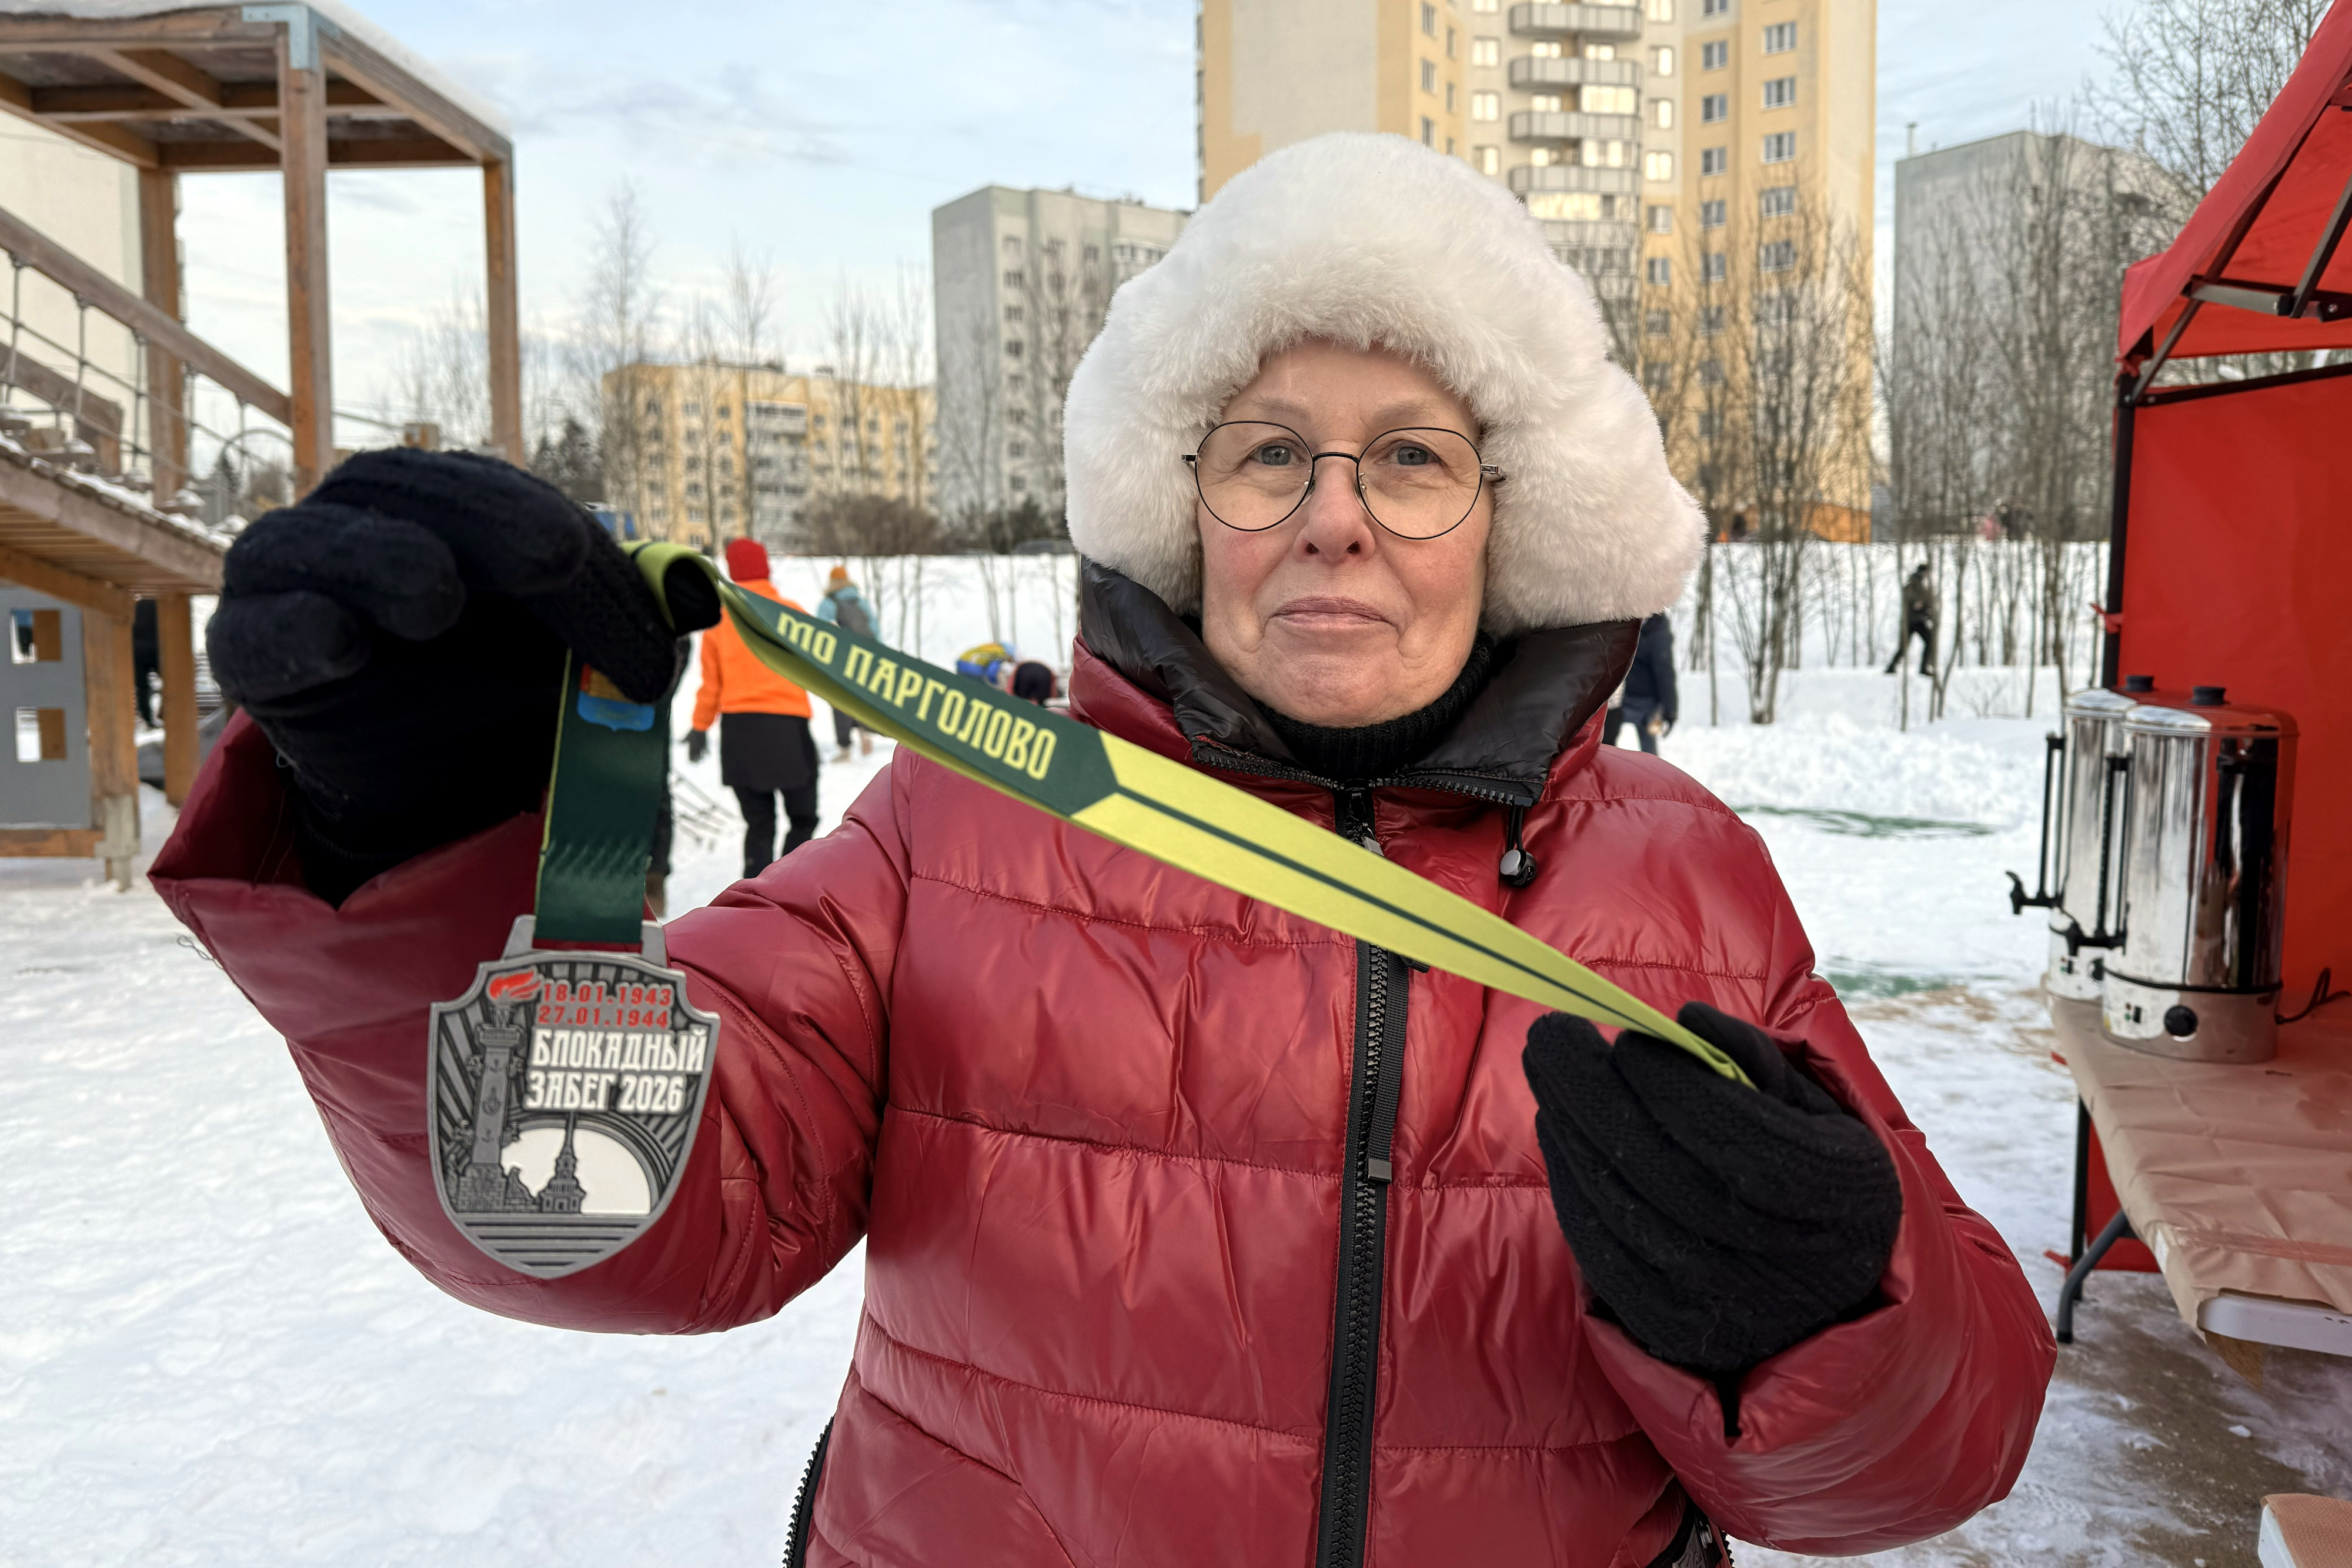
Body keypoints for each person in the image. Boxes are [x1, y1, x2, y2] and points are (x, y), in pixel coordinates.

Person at [164, 136, 2048, 1567]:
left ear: (1510, 518)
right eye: (1264, 453)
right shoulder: (956, 826)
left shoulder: (1682, 880)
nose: (1333, 517)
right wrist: (425, 848)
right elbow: (598, 1212)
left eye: (1409, 456)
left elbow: (1933, 1445)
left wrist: (1827, 1322)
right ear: (1182, 499)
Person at [686, 537, 820, 877]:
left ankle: (757, 894)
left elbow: (711, 686)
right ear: (766, 567)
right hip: (787, 730)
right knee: (803, 817)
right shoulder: (792, 614)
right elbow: (823, 667)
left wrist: (700, 727)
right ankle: (789, 882)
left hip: (740, 733)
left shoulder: (720, 621)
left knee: (760, 823)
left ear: (732, 572)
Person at [814, 565, 874, 762]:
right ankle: (865, 732)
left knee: (840, 701)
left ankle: (845, 748)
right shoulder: (860, 601)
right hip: (866, 658)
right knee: (861, 698)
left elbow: (821, 631)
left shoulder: (829, 603)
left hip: (842, 660)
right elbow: (874, 627)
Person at [1603, 612, 1677, 754]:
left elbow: (1665, 671)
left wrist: (1670, 709)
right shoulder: (1625, 621)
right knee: (1607, 743)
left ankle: (1653, 774)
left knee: (1649, 749)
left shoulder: (1658, 631)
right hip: (1621, 699)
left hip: (1646, 703)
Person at [1886, 561, 1938, 677]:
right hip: (1911, 620)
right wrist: (1918, 605)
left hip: (1919, 619)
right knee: (1906, 646)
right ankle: (1892, 667)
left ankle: (1923, 668)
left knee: (1929, 642)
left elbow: (1926, 602)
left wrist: (1927, 610)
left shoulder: (1924, 584)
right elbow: (1911, 600)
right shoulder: (1913, 583)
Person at [131, 597, 159, 727]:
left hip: (137, 652)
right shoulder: (158, 605)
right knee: (173, 683)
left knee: (142, 688)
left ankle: (149, 719)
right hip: (157, 651)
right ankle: (166, 715)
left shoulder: (136, 607)